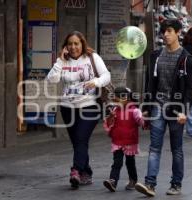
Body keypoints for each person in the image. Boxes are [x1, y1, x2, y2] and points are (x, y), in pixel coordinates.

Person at [134, 19, 192, 197]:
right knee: (154, 147)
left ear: (178, 33)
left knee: (176, 148)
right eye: (163, 31)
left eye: (169, 31)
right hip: (157, 107)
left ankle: (176, 184)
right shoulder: (156, 55)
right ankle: (150, 184)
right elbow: (150, 84)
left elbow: (191, 90)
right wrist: (146, 107)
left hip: (177, 109)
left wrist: (185, 110)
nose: (166, 34)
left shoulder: (186, 59)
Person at [47, 31, 111, 188]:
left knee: (81, 138)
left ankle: (75, 171)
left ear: (82, 44)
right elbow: (52, 79)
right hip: (68, 107)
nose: (73, 47)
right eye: (70, 44)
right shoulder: (63, 61)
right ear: (66, 47)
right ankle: (86, 172)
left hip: (89, 105)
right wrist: (61, 60)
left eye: (76, 43)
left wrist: (96, 82)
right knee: (78, 142)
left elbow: (106, 75)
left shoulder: (92, 58)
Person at [102, 87, 145, 192]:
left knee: (130, 162)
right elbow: (109, 124)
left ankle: (133, 180)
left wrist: (144, 119)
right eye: (116, 99)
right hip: (117, 141)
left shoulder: (135, 110)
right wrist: (110, 117)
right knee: (117, 162)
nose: (117, 101)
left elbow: (142, 123)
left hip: (130, 141)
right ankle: (113, 181)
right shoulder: (115, 110)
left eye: (119, 98)